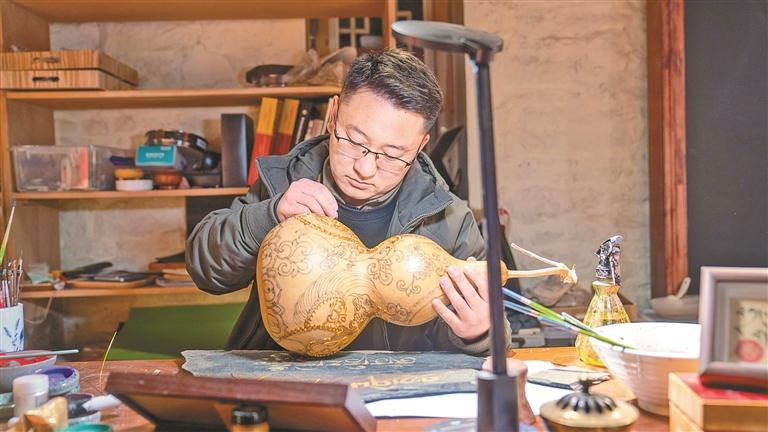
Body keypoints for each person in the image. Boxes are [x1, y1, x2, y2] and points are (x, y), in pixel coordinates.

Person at [186, 49, 511, 355]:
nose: (364, 169)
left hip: (394, 385)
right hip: (284, 378)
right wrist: (268, 215)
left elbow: (492, 331)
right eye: (355, 141)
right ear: (333, 114)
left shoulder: (448, 218)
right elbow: (206, 270)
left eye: (392, 155)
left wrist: (479, 332)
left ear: (420, 146)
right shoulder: (284, 181)